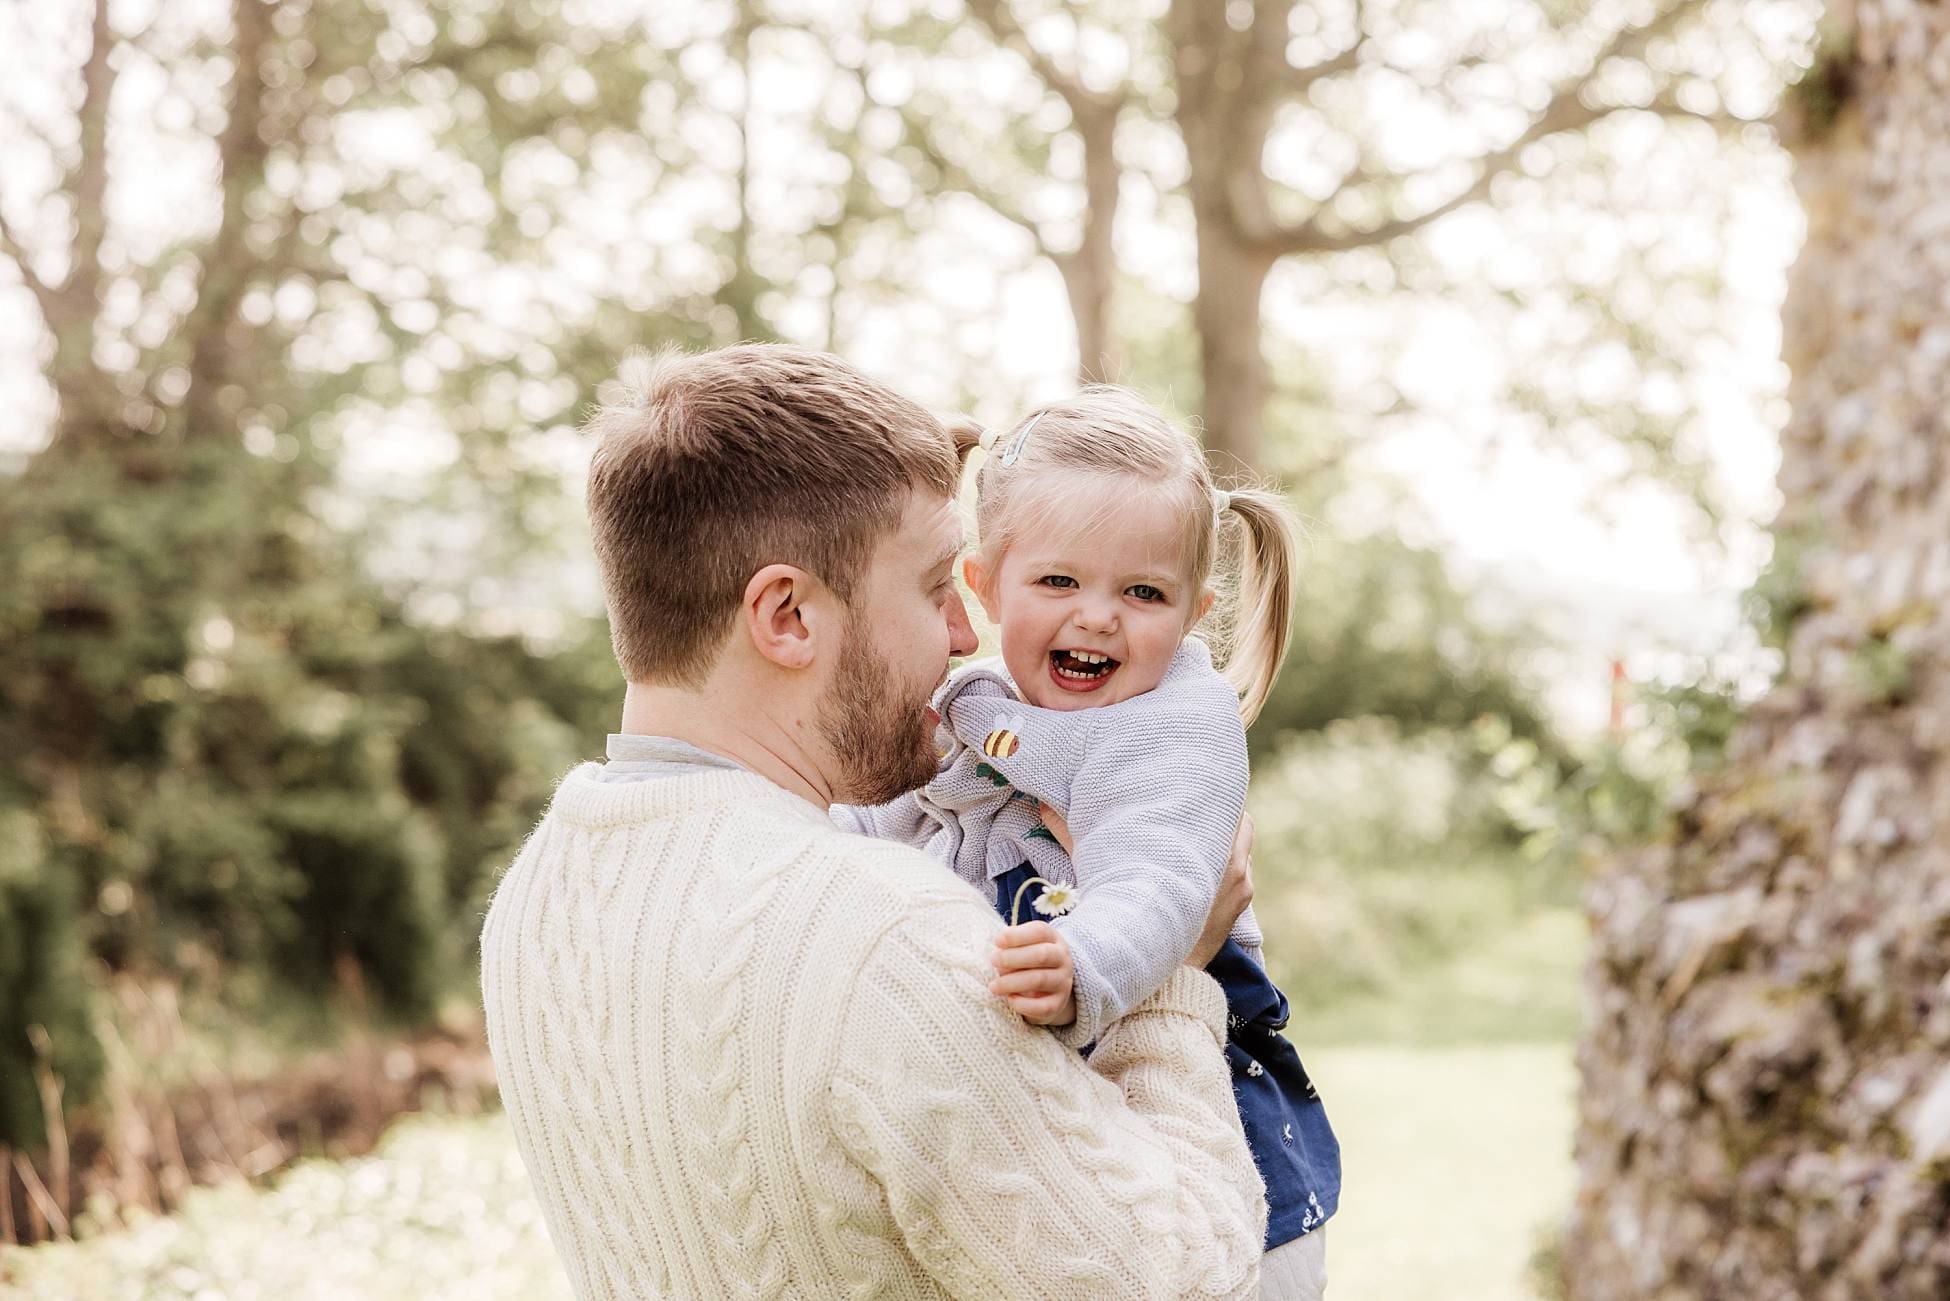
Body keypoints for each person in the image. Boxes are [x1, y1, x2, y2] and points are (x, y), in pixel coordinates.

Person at [479, 344, 1269, 1299]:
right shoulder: (891, 936)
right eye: (937, 586)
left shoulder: (538, 894)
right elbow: (1181, 1284)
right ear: (788, 616)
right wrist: (1174, 982)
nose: (966, 636)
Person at [834, 388, 1340, 1299]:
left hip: (1228, 1163)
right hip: (1081, 1127)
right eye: (1060, 581)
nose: (1099, 615)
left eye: (1143, 592)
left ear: (1193, 612)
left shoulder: (1175, 724)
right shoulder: (984, 708)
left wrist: (1085, 961)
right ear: (984, 585)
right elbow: (897, 818)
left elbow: (1162, 879)